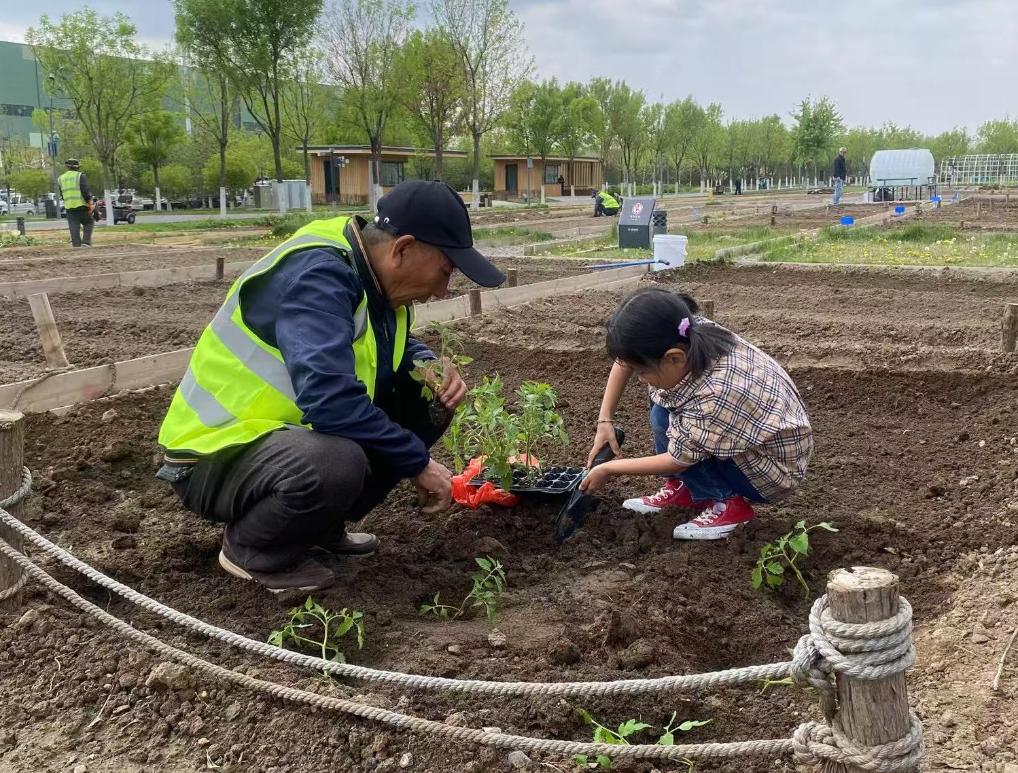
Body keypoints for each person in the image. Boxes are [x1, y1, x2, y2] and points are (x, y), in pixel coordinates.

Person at [156, 180, 506, 594]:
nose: (442, 290)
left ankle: (315, 526)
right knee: (336, 461)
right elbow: (330, 402)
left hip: (280, 442)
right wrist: (418, 463)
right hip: (216, 453)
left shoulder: (372, 274)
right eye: (444, 271)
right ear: (403, 249)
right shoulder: (319, 277)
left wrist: (424, 364)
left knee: (425, 398)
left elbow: (375, 343)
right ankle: (253, 548)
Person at [581, 288, 813, 540]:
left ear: (674, 358)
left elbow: (678, 459)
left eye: (642, 371)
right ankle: (685, 489)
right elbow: (625, 359)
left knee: (681, 427)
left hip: (769, 469)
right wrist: (605, 420)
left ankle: (728, 505)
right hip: (747, 435)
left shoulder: (714, 394)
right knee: (664, 407)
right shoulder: (682, 333)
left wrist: (610, 469)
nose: (639, 378)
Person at [58, 159, 93, 247]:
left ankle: (76, 245)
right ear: (77, 167)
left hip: (69, 206)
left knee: (73, 226)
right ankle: (85, 242)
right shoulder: (80, 176)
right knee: (89, 222)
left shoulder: (61, 178)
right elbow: (85, 191)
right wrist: (89, 202)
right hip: (81, 205)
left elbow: (62, 193)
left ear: (67, 167)